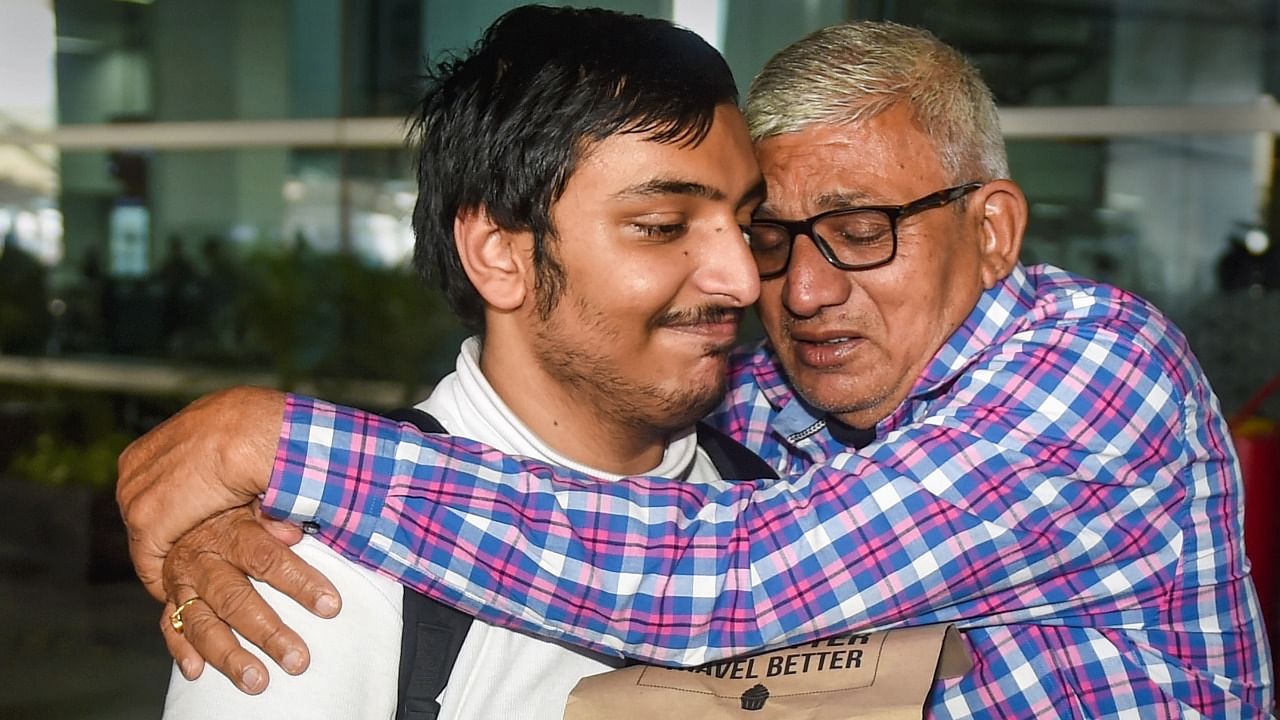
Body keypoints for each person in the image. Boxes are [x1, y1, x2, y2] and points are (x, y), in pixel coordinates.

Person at [118, 19, 1275, 719]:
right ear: (498, 251)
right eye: (744, 229)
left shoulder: (1088, 373)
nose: (773, 287)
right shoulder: (315, 585)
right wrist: (259, 508)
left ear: (991, 231)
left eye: (863, 227)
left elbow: (731, 575)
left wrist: (274, 444)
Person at [152, 5, 769, 718]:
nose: (743, 279)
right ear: (498, 252)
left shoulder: (775, 489)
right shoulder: (316, 575)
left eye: (751, 225)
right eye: (660, 227)